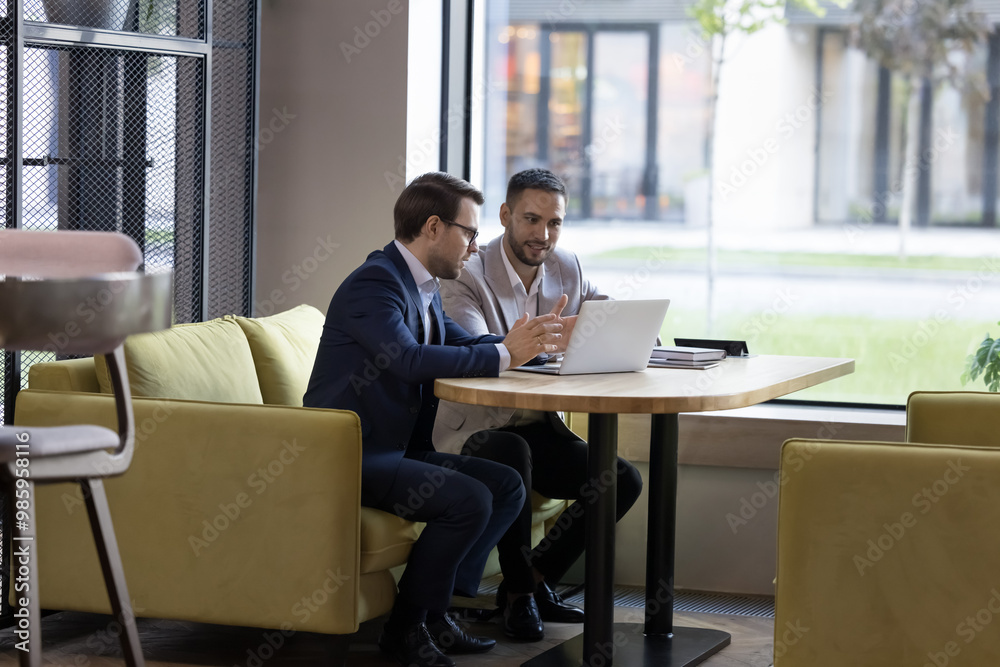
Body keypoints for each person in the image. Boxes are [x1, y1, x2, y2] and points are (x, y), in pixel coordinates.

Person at [303, 172, 571, 667]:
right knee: (468, 498)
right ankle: (407, 628)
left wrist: (527, 346)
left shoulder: (420, 286)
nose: (474, 245)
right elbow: (407, 359)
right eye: (469, 233)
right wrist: (504, 356)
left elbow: (463, 343)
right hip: (347, 454)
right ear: (432, 227)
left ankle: (434, 609)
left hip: (395, 448)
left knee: (506, 485)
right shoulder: (375, 283)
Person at [433, 168, 643, 641]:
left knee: (621, 480)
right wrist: (549, 341)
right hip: (476, 429)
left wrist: (605, 327)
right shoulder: (467, 272)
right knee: (513, 455)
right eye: (531, 219)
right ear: (506, 215)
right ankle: (525, 596)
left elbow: (601, 321)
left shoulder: (567, 265)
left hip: (538, 425)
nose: (543, 234)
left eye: (554, 223)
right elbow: (475, 347)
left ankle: (527, 581)